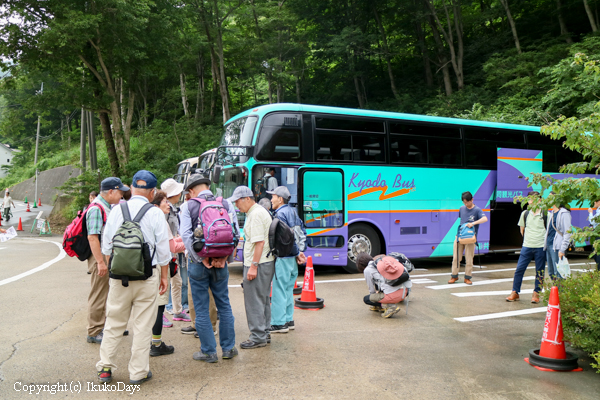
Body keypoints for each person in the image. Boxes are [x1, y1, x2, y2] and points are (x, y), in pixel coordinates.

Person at [96, 170, 170, 385]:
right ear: (153, 191)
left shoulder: (117, 209)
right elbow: (164, 251)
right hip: (147, 276)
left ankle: (105, 368)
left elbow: (106, 245)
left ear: (131, 187)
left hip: (119, 277)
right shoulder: (155, 213)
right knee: (143, 325)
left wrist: (115, 269)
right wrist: (164, 277)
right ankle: (138, 372)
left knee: (114, 322)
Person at [179, 173, 238, 363]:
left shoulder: (187, 206)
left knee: (202, 308)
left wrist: (200, 258)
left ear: (191, 190)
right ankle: (228, 349)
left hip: (198, 264)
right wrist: (224, 258)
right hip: (221, 264)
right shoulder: (226, 204)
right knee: (224, 305)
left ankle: (208, 352)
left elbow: (186, 236)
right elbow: (235, 233)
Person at [229, 186, 275, 349]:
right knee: (262, 300)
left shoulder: (255, 214)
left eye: (237, 201)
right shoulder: (260, 212)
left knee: (254, 301)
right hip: (266, 262)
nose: (236, 206)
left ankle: (257, 336)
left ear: (247, 198)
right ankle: (264, 332)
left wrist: (253, 266)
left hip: (259, 263)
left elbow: (259, 243)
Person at [85, 178, 130, 344]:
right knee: (99, 293)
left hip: (105, 255)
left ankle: (103, 326)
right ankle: (94, 331)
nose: (122, 195)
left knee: (107, 292)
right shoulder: (97, 209)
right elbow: (92, 237)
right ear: (111, 191)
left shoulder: (105, 206)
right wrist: (100, 262)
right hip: (99, 256)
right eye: (120, 192)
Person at [149, 190, 186, 357]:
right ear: (156, 205)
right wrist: (188, 242)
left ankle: (149, 342)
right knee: (159, 307)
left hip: (147, 265)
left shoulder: (148, 218)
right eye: (165, 201)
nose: (168, 204)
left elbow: (170, 241)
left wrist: (181, 239)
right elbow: (171, 248)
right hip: (159, 267)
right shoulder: (161, 221)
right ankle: (155, 344)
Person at [267, 186, 306, 333]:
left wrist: (295, 252)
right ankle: (289, 320)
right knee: (289, 289)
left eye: (273, 196)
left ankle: (278, 323)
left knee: (279, 290)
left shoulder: (280, 215)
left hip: (283, 257)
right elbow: (302, 233)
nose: (271, 199)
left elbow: (285, 239)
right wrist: (299, 253)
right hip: (292, 259)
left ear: (280, 199)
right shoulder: (294, 213)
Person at [506, 192, 547, 303]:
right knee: (519, 269)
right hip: (527, 246)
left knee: (540, 271)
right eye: (529, 199)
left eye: (534, 199)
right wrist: (528, 240)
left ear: (540, 200)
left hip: (540, 247)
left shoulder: (545, 213)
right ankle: (515, 292)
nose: (531, 201)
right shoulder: (525, 213)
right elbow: (522, 230)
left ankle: (536, 294)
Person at [160, 178, 189, 323]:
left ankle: (177, 311)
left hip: (173, 253)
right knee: (163, 283)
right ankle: (161, 314)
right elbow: (165, 235)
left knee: (177, 282)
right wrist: (187, 242)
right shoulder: (164, 209)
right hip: (166, 254)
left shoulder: (173, 208)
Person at [356, 252, 412, 318]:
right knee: (381, 284)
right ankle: (388, 302)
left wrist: (375, 297)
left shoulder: (367, 270)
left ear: (361, 265)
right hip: (405, 291)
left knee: (367, 299)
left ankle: (390, 306)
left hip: (394, 296)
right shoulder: (380, 262)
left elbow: (371, 290)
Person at [448, 191, 488, 285]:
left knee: (469, 258)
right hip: (460, 236)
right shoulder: (461, 208)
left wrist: (473, 223)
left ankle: (467, 277)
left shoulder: (477, 210)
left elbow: (485, 219)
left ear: (472, 200)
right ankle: (454, 276)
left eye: (467, 202)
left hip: (470, 238)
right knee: (456, 258)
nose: (466, 204)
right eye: (464, 202)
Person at [544, 200, 572, 280]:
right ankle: (556, 291)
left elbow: (567, 232)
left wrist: (562, 249)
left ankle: (561, 291)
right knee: (551, 272)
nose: (548, 199)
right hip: (549, 244)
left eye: (550, 197)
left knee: (559, 273)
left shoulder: (564, 213)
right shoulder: (552, 213)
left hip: (557, 246)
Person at [587, 198, 600, 271]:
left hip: (598, 236)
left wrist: (590, 213)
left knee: (597, 254)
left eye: (595, 201)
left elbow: (593, 221)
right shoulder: (598, 210)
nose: (594, 202)